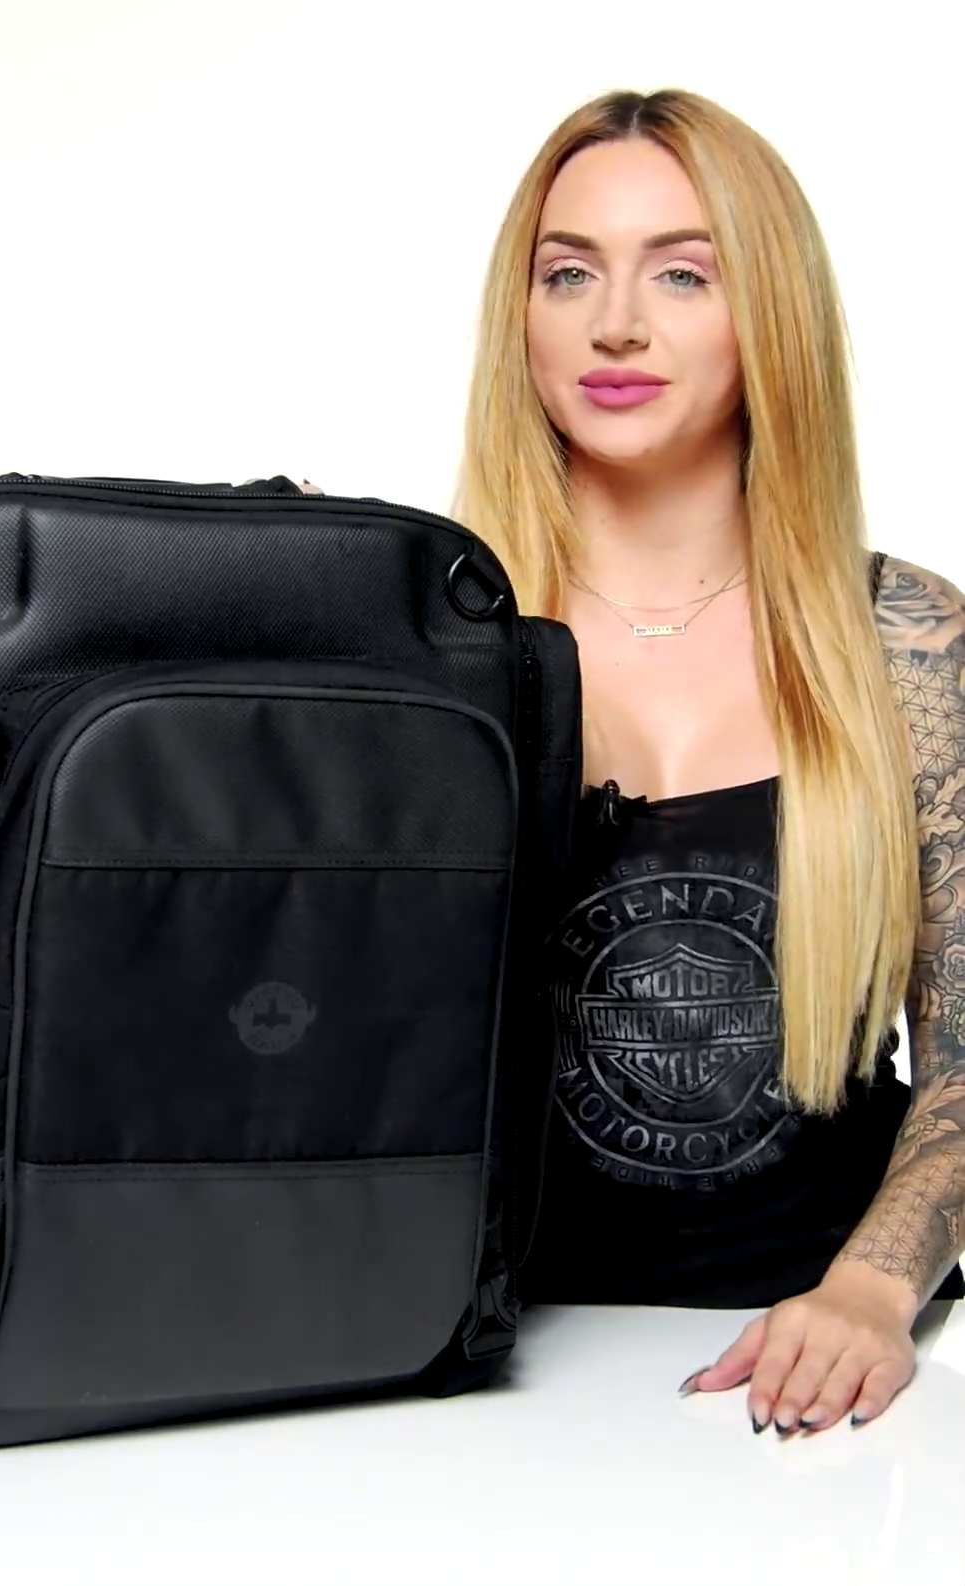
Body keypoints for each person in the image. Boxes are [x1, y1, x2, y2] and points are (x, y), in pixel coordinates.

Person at [317, 86, 965, 1433]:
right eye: (569, 274)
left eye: (681, 272)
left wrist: (868, 1292)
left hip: (813, 1378)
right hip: (467, 1379)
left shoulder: (903, 638)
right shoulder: (423, 637)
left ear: (768, 313)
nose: (615, 323)